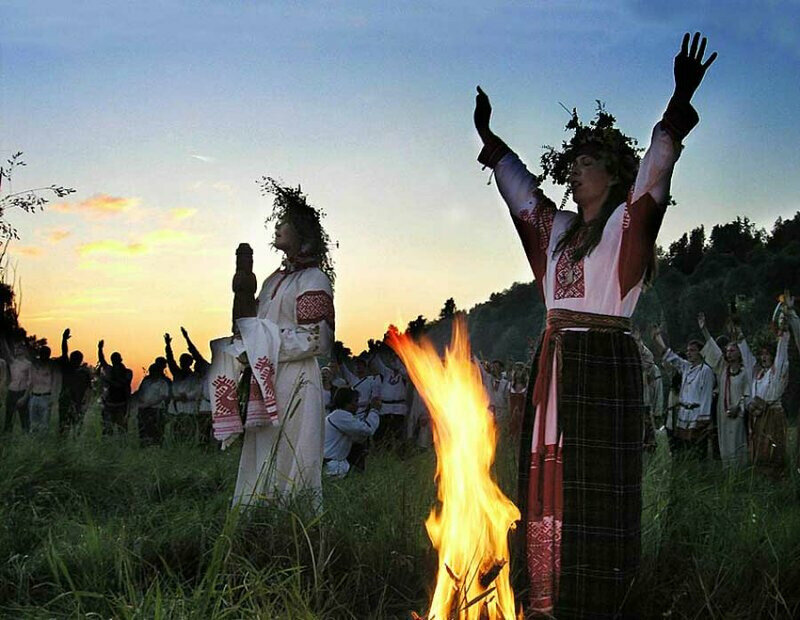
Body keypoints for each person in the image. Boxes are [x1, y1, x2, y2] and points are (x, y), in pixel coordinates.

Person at [474, 32, 716, 617]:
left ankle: (596, 598)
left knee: (596, 492)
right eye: (573, 165)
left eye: (587, 165)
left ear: (611, 174)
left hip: (602, 367)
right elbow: (521, 195)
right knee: (546, 476)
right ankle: (547, 595)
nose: (575, 174)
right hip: (555, 369)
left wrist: (676, 106)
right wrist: (490, 140)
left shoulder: (626, 230)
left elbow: (655, 174)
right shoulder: (556, 231)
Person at [208, 179, 335, 507]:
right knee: (260, 453)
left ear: (302, 232)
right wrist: (240, 346)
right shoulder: (271, 281)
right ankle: (256, 523)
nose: (278, 226)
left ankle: (295, 529)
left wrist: (261, 343)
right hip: (265, 380)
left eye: (285, 221)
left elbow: (316, 338)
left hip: (297, 380)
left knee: (294, 455)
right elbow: (257, 329)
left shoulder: (314, 279)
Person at [698, 313, 752, 467]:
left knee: (738, 440)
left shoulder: (744, 372)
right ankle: (727, 470)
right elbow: (713, 350)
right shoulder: (723, 369)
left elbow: (747, 393)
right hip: (723, 411)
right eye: (727, 351)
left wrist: (739, 407)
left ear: (739, 353)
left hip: (738, 412)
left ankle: (740, 470)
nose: (728, 353)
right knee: (724, 441)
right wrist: (704, 330)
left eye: (732, 351)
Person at [653, 329, 716, 459]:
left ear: (701, 352)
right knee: (683, 451)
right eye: (688, 350)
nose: (689, 353)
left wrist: (703, 420)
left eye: (692, 350)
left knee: (698, 451)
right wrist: (658, 339)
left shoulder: (706, 371)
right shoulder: (686, 367)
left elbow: (706, 397)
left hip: (697, 415)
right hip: (684, 415)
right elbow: (671, 357)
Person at [747, 298, 793, 477]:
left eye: (768, 354)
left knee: (774, 445)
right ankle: (761, 477)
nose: (764, 357)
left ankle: (777, 477)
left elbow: (782, 350)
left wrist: (783, 332)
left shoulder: (778, 369)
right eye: (762, 354)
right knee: (760, 446)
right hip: (759, 415)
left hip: (774, 413)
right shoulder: (759, 374)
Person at [323, 387, 380, 477]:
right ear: (347, 403)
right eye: (355, 401)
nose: (357, 405)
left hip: (333, 464)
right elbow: (368, 429)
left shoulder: (336, 416)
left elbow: (358, 437)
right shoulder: (341, 417)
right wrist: (374, 411)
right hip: (333, 467)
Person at [57, 328, 92, 435]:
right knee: (69, 427)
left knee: (69, 427)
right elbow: (64, 352)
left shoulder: (80, 372)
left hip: (74, 403)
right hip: (69, 402)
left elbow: (88, 390)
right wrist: (64, 340)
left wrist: (64, 340)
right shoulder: (71, 369)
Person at [372, 348, 408, 447]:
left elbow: (405, 373)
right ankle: (383, 450)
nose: (394, 362)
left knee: (398, 433)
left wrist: (400, 358)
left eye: (397, 359)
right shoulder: (387, 372)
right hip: (385, 408)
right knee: (383, 432)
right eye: (393, 359)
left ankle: (400, 453)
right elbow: (378, 363)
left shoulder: (405, 373)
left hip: (398, 409)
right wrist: (374, 349)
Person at [97, 340, 133, 434]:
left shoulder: (127, 372)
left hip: (121, 405)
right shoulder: (111, 370)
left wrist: (107, 380)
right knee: (108, 430)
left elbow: (122, 385)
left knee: (122, 431)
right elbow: (102, 361)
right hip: (110, 404)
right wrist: (100, 349)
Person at [133, 362, 172, 445]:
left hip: (156, 410)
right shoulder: (146, 382)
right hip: (144, 410)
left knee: (156, 432)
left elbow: (163, 397)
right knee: (143, 430)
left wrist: (149, 404)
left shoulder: (163, 383)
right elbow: (140, 393)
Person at [4, 342, 31, 433]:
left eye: (18, 348)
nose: (16, 350)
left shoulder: (28, 364)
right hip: (11, 391)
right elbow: (6, 351)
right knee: (8, 417)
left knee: (24, 418)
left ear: (23, 350)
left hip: (22, 391)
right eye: (15, 348)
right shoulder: (12, 362)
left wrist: (25, 397)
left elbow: (30, 382)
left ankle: (26, 437)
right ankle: (7, 436)